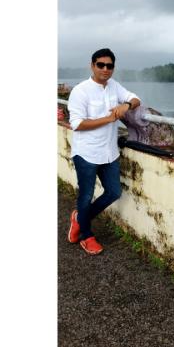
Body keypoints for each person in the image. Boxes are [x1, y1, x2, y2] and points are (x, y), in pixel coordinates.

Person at [67, 48, 141, 255]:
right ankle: (86, 236)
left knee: (114, 192)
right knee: (86, 196)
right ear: (92, 65)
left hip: (109, 152)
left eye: (109, 66)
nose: (105, 69)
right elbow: (77, 124)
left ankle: (79, 218)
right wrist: (108, 119)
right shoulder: (80, 91)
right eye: (101, 65)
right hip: (87, 153)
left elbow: (136, 98)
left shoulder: (114, 86)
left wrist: (126, 105)